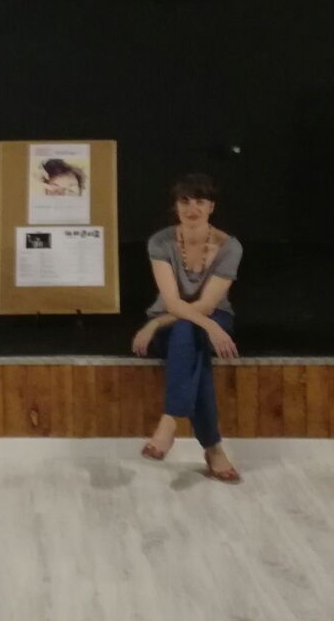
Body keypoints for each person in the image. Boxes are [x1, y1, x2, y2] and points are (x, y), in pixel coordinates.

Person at [131, 173, 243, 483]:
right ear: (176, 206)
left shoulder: (230, 247)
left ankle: (169, 421)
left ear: (211, 207)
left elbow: (206, 305)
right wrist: (161, 322)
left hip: (214, 316)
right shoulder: (160, 242)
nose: (192, 209)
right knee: (191, 339)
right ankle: (213, 448)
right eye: (185, 201)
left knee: (188, 330)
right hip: (175, 320)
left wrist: (160, 323)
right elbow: (172, 301)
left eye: (200, 202)